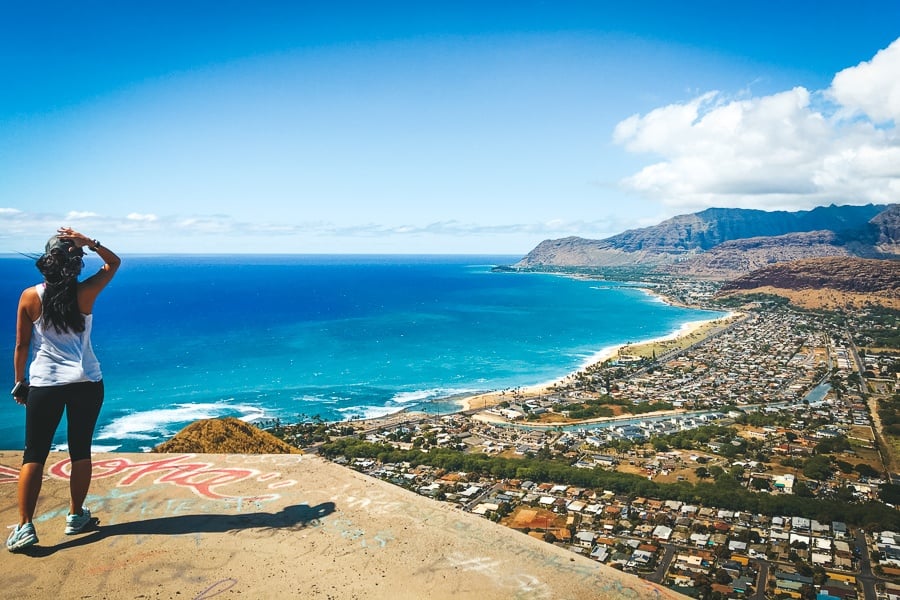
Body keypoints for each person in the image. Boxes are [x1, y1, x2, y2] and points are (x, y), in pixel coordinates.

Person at [7, 227, 120, 552]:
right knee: (80, 450)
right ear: (75, 264)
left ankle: (26, 526)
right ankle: (75, 516)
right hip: (87, 382)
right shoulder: (85, 292)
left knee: (34, 454)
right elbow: (113, 263)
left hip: (46, 384)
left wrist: (20, 382)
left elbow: (22, 345)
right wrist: (91, 242)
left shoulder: (30, 296)